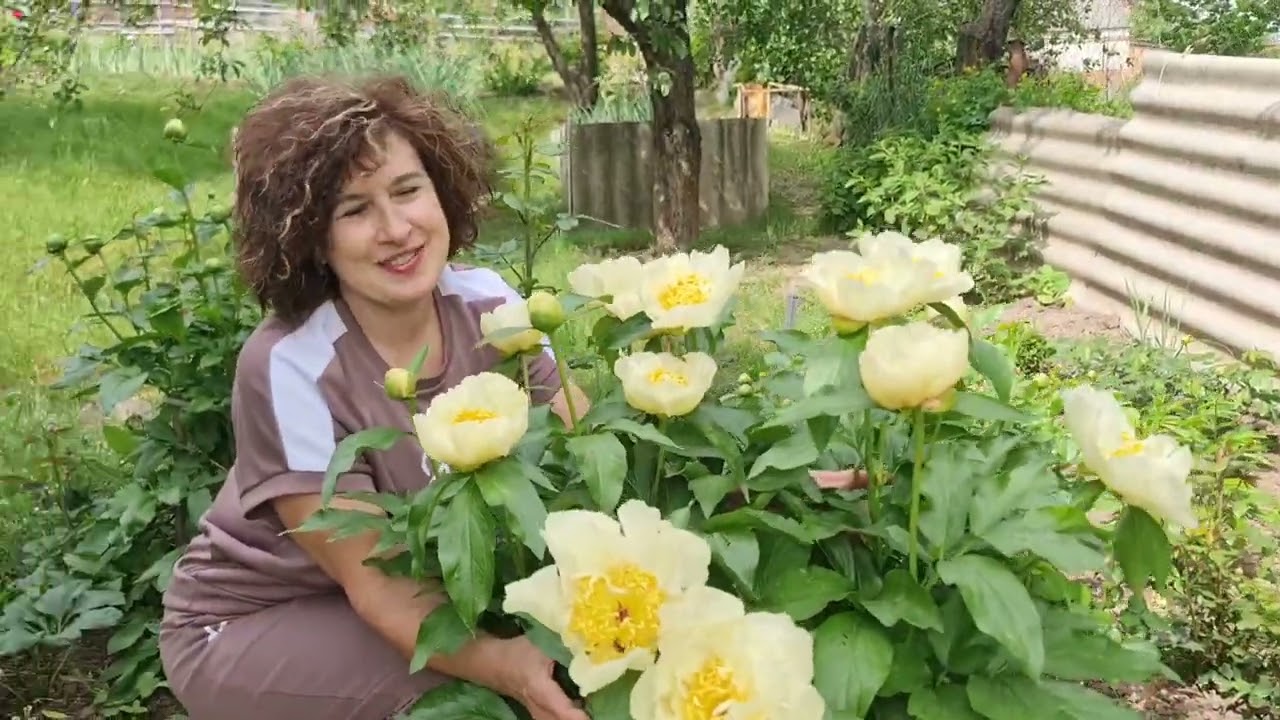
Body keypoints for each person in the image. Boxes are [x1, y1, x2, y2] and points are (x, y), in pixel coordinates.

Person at [158, 74, 592, 720]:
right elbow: (380, 585)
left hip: (393, 597)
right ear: (311, 238)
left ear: (441, 191)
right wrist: (511, 667)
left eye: (408, 190)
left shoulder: (493, 306)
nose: (397, 229)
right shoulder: (290, 365)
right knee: (462, 704)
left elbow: (588, 456)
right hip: (255, 622)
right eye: (354, 210)